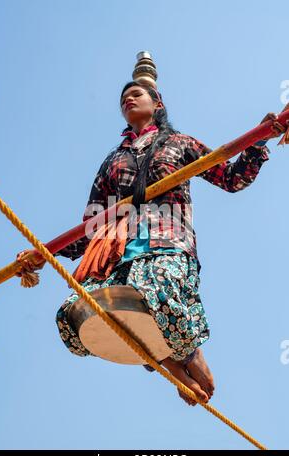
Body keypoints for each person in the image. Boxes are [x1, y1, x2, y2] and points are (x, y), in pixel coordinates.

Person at [17, 82, 288, 406]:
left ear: (157, 103)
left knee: (154, 288)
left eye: (136, 94)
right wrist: (44, 255)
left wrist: (258, 141)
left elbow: (232, 179)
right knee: (75, 314)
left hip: (166, 241)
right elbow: (92, 225)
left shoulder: (179, 143)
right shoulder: (113, 163)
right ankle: (170, 361)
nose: (128, 99)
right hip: (117, 253)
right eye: (123, 99)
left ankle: (187, 353)